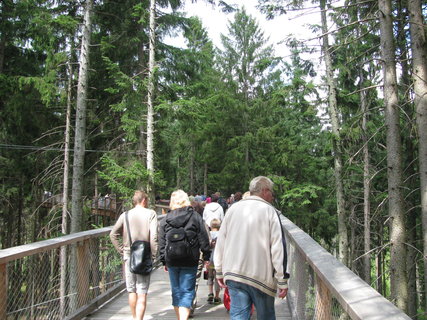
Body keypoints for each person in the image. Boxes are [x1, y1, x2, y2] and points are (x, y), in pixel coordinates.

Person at [214, 176, 289, 320]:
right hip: (261, 277)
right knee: (266, 316)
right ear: (265, 191)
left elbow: (221, 241)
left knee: (238, 315)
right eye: (271, 192)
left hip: (234, 273)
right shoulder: (270, 211)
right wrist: (282, 279)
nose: (272, 196)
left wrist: (219, 270)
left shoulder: (233, 209)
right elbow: (278, 248)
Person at [159, 190, 211, 320]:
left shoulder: (165, 220)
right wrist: (206, 256)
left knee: (176, 291)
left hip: (172, 260)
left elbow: (161, 241)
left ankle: (180, 317)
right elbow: (203, 238)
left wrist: (163, 260)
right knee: (187, 291)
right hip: (190, 259)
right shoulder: (195, 217)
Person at [110, 190, 158, 320]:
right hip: (144, 256)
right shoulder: (151, 214)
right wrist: (153, 255)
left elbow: (113, 234)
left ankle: (134, 316)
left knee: (131, 290)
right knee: (142, 291)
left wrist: (121, 249)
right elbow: (153, 236)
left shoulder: (125, 215)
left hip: (129, 255)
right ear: (143, 200)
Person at [207, 218, 221, 304]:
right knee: (217, 277)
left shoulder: (208, 235)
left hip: (210, 259)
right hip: (218, 259)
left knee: (209, 276)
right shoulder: (221, 234)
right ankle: (217, 296)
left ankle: (210, 292)